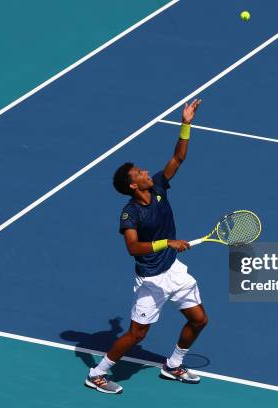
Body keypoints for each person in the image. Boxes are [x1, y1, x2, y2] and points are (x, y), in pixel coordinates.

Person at [85, 99, 207, 394]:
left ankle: (173, 365)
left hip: (173, 270)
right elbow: (133, 248)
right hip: (151, 280)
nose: (144, 171)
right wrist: (168, 242)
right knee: (137, 334)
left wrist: (186, 124)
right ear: (132, 186)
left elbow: (178, 158)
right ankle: (97, 373)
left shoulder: (158, 186)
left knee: (199, 319)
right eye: (139, 172)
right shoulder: (130, 213)